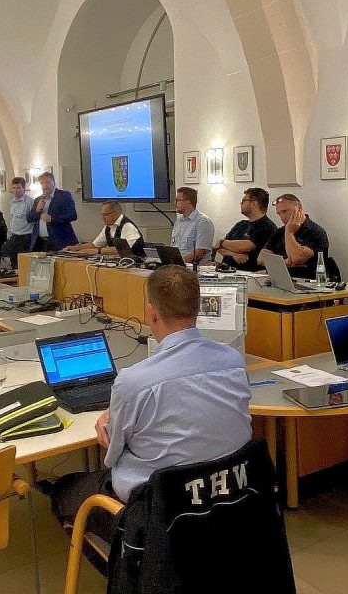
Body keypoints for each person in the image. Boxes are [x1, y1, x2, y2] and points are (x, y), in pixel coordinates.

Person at [47, 265, 251, 561]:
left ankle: (129, 570)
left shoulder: (133, 382)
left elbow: (112, 455)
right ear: (198, 309)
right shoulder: (233, 361)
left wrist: (118, 414)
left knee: (64, 490)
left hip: (155, 513)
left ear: (151, 313)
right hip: (225, 496)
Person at [263, 194, 329, 279]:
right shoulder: (279, 232)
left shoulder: (314, 231)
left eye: (285, 211)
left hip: (307, 281)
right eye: (279, 214)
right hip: (282, 278)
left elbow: (296, 259)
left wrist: (289, 232)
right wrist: (285, 262)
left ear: (299, 208)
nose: (282, 217)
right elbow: (261, 258)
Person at [214, 187, 277, 270]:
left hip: (250, 274)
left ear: (254, 203)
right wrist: (234, 254)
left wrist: (221, 242)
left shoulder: (267, 226)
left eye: (244, 201)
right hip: (227, 270)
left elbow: (247, 246)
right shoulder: (240, 224)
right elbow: (218, 248)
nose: (241, 203)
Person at [64, 201, 146, 256]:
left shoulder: (128, 226)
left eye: (105, 215)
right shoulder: (108, 227)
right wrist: (75, 248)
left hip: (137, 265)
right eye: (102, 215)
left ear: (116, 213)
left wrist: (97, 251)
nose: (103, 218)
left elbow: (123, 250)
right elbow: (95, 244)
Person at [27, 172, 78, 252]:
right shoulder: (38, 200)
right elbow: (29, 219)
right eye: (42, 183)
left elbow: (73, 215)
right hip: (41, 242)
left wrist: (52, 218)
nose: (45, 185)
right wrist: (37, 210)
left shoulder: (64, 195)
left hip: (60, 241)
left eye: (47, 182)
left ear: (53, 183)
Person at [170, 186, 215, 264]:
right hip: (178, 266)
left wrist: (178, 263)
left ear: (187, 202)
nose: (175, 203)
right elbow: (173, 248)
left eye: (177, 200)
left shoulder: (202, 222)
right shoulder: (178, 222)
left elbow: (199, 252)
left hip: (195, 267)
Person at [1, 176, 34, 269]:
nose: (16, 190)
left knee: (23, 263)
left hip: (25, 236)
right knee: (11, 260)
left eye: (18, 188)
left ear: (24, 188)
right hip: (14, 236)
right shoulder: (11, 202)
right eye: (14, 188)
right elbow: (12, 219)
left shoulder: (30, 202)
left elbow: (33, 219)